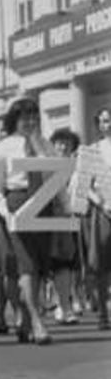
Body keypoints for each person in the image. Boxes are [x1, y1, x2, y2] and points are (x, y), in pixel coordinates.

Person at [0, 98, 57, 345]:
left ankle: (26, 320)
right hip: (18, 203)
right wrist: (6, 211)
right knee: (25, 265)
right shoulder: (3, 148)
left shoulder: (45, 144)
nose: (29, 122)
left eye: (33, 117)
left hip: (44, 203)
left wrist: (39, 148)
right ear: (14, 120)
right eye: (24, 118)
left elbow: (56, 177)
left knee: (38, 266)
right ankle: (37, 322)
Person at [46, 127, 82, 326]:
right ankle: (56, 302)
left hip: (69, 219)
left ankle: (65, 304)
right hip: (47, 219)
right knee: (49, 262)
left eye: (67, 143)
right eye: (59, 142)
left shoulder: (77, 167)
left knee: (66, 262)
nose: (62, 146)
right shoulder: (45, 165)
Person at [81, 107, 111, 330]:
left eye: (109, 121)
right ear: (98, 125)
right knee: (102, 266)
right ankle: (103, 312)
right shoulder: (92, 151)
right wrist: (101, 203)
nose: (107, 125)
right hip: (103, 213)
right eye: (103, 121)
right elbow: (85, 187)